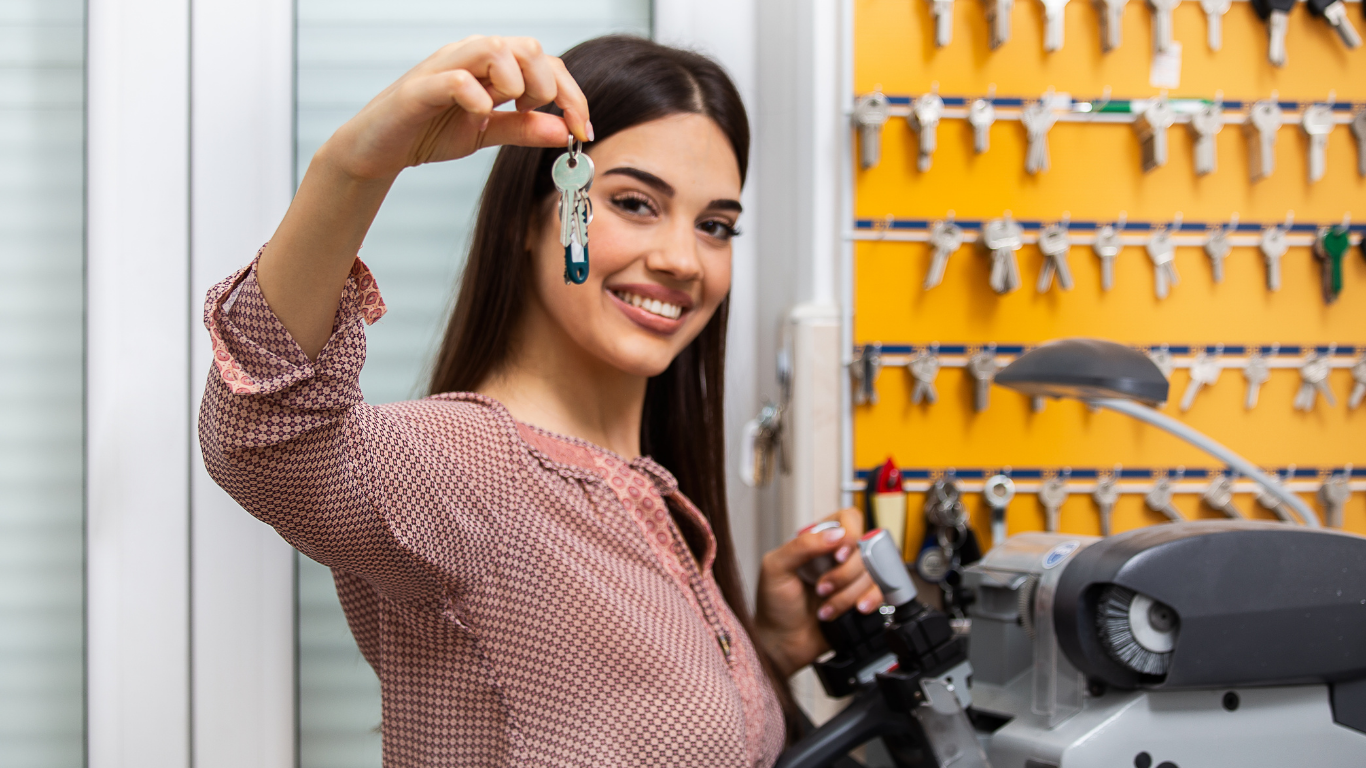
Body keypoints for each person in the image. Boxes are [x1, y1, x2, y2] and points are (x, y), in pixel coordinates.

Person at [199, 34, 882, 767]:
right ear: (532, 218)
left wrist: (759, 653)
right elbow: (266, 435)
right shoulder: (470, 466)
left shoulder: (644, 489)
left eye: (715, 225)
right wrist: (356, 165)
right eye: (633, 203)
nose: (685, 260)